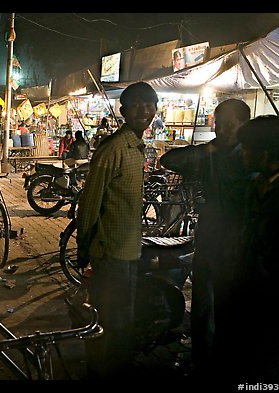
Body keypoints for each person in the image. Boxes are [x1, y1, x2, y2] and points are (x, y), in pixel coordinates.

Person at [159, 98, 251, 377]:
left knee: (229, 302)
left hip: (239, 239)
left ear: (245, 126)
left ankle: (225, 359)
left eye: (231, 126)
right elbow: (169, 160)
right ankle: (202, 356)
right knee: (203, 298)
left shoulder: (251, 156)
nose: (222, 132)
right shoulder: (210, 153)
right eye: (219, 126)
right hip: (210, 232)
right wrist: (207, 151)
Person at [77, 81, 158, 379]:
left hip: (130, 249)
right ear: (123, 110)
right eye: (136, 104)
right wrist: (83, 248)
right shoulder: (113, 150)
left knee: (124, 319)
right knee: (112, 321)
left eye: (149, 105)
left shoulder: (137, 149)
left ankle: (118, 367)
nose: (144, 110)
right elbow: (89, 205)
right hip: (111, 252)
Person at [210, 115, 279, 380]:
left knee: (270, 365)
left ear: (265, 154)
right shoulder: (257, 182)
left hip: (275, 303)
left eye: (246, 149)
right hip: (244, 292)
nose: (242, 155)